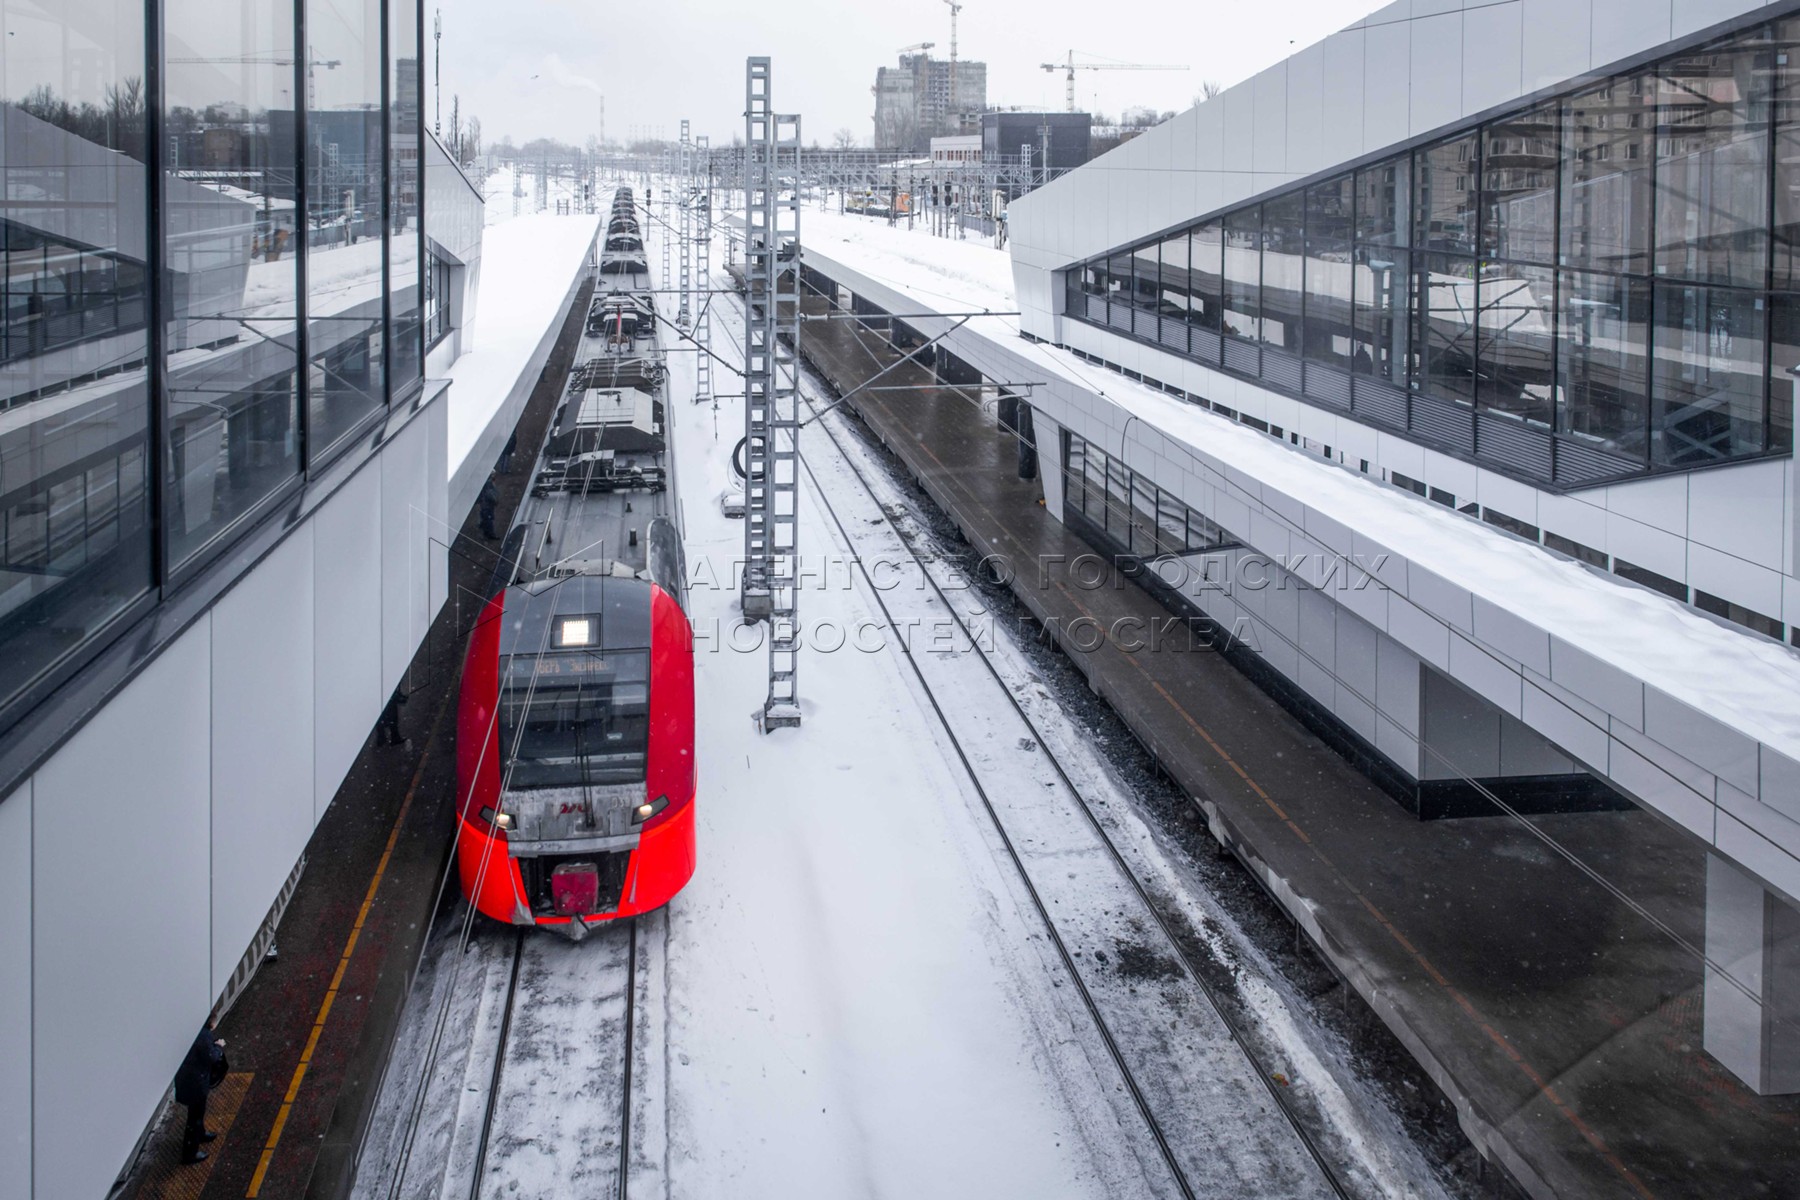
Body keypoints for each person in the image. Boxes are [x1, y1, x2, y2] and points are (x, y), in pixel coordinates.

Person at [175, 1020, 225, 1164]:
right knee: (195, 1116)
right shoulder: (203, 1036)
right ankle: (190, 1153)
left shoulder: (193, 1031)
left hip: (189, 1078)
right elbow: (212, 1057)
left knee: (196, 1114)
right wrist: (218, 1047)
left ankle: (200, 1134)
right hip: (195, 1082)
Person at [478, 475, 499, 540]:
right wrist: (495, 501)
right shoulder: (489, 485)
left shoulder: (483, 484)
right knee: (489, 520)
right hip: (488, 506)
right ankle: (490, 534)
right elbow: (491, 495)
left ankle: (485, 532)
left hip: (484, 505)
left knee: (485, 519)